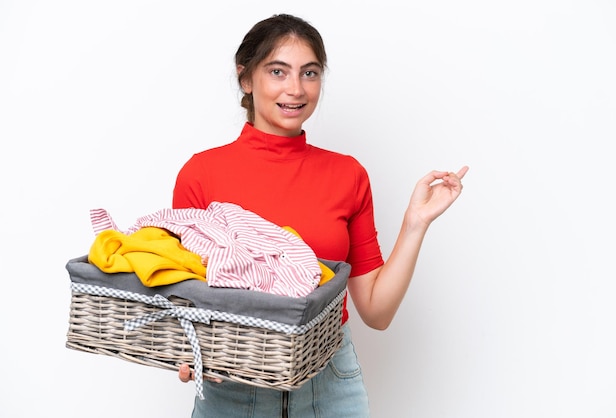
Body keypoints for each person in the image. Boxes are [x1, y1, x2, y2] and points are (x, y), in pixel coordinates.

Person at [172, 13, 468, 418]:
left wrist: (416, 223)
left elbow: (377, 313)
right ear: (246, 78)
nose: (296, 89)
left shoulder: (347, 175)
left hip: (330, 383)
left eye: (309, 73)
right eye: (278, 71)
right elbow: (179, 297)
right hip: (235, 382)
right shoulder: (201, 174)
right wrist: (186, 352)